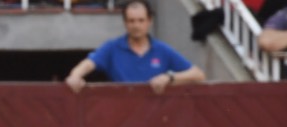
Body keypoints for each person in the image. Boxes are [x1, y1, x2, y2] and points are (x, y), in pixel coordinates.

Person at [65, 0, 205, 94]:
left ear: (149, 21)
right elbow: (88, 64)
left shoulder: (162, 49)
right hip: (122, 117)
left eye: (140, 20)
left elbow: (198, 75)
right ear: (125, 22)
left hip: (156, 122)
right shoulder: (112, 47)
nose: (136, 25)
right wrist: (75, 76)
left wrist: (170, 77)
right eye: (131, 21)